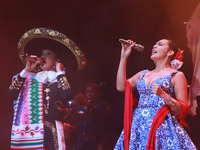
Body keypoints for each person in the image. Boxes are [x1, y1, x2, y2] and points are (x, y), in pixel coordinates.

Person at [8, 28, 87, 150]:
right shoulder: (30, 79)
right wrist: (26, 70)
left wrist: (60, 72)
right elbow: (11, 94)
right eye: (42, 54)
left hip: (53, 129)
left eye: (48, 53)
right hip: (31, 131)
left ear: (57, 60)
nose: (43, 57)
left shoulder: (60, 79)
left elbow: (67, 95)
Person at [114, 39, 197, 150]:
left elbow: (182, 110)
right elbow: (121, 86)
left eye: (160, 44)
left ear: (170, 52)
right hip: (138, 124)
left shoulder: (176, 75)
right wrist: (124, 57)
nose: (154, 46)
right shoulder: (143, 73)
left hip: (162, 125)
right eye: (154, 45)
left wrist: (163, 95)